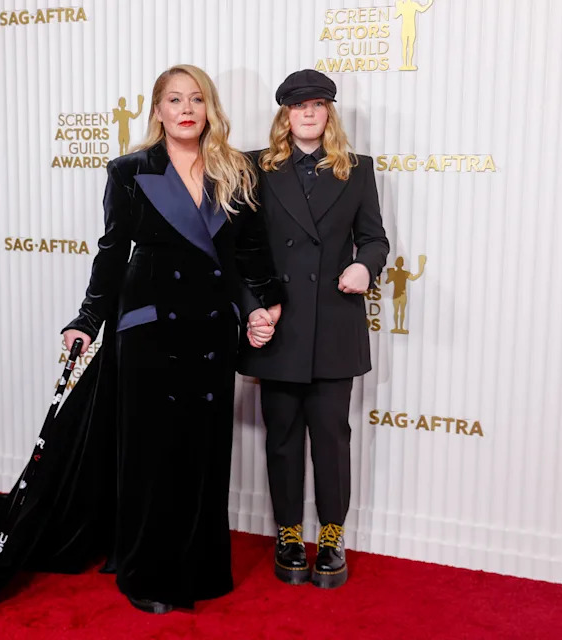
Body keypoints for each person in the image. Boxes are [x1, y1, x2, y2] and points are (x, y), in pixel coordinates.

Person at [0, 64, 284, 630]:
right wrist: (88, 318)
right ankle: (148, 572)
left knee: (203, 451)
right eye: (174, 99)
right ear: (157, 109)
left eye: (196, 99)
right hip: (149, 329)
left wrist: (264, 304)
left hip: (210, 330)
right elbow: (112, 251)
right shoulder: (130, 171)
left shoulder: (237, 170)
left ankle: (202, 567)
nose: (186, 109)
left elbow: (249, 253)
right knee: (151, 455)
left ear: (210, 108)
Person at [239, 69, 389, 589]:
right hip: (278, 324)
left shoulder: (358, 169)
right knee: (281, 438)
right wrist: (254, 310)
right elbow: (242, 249)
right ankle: (287, 533)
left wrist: (365, 265)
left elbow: (374, 238)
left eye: (318, 105)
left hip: (333, 324)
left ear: (329, 112)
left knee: (331, 437)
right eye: (299, 106)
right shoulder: (254, 167)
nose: (308, 113)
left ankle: (331, 535)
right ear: (285, 115)